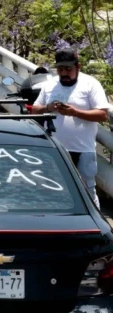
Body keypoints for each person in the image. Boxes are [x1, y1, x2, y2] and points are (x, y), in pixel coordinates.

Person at [32, 48, 110, 208]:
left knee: (87, 191)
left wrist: (75, 112)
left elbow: (103, 114)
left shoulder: (91, 84)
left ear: (78, 67)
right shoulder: (50, 85)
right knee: (54, 189)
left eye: (68, 69)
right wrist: (48, 107)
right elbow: (35, 109)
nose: (64, 73)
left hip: (83, 150)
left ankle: (95, 220)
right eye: (60, 69)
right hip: (55, 149)